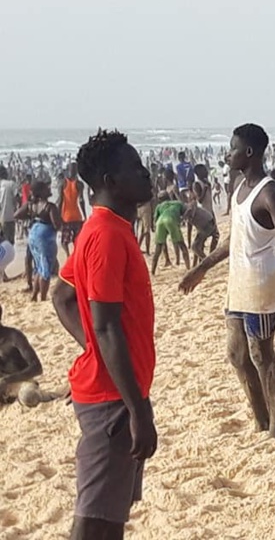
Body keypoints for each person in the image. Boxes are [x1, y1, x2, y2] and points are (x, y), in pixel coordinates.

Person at [50, 129, 158, 539]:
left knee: (111, 517)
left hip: (119, 390)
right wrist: (138, 410)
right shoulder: (106, 235)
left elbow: (62, 295)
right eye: (135, 167)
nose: (146, 173)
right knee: (94, 521)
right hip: (113, 399)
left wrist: (96, 350)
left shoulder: (107, 229)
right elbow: (106, 324)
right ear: (111, 181)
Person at [179, 124, 275, 442]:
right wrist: (202, 267)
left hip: (262, 282)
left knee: (262, 356)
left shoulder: (269, 191)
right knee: (237, 356)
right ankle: (261, 420)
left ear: (248, 152)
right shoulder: (238, 187)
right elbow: (235, 238)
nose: (228, 154)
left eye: (233, 148)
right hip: (238, 283)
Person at [15, 181, 61, 302]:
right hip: (45, 236)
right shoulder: (50, 206)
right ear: (41, 192)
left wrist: (32, 217)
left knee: (38, 267)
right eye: (46, 188)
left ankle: (35, 295)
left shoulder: (31, 205)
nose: (49, 189)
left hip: (33, 233)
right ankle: (43, 297)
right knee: (45, 268)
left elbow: (17, 215)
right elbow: (57, 225)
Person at [150, 192, 190, 275]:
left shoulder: (159, 206)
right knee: (182, 245)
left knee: (158, 248)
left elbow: (155, 219)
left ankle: (152, 271)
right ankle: (188, 268)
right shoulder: (177, 203)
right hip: (171, 220)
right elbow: (187, 211)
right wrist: (182, 219)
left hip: (160, 222)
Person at [58, 162, 87, 256]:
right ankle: (76, 255)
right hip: (77, 216)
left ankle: (68, 255)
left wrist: (58, 216)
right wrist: (85, 216)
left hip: (65, 217)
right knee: (77, 240)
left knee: (64, 242)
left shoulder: (62, 183)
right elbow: (81, 201)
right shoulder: (79, 184)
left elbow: (60, 201)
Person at [182, 200, 218, 266]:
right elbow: (189, 230)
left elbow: (189, 230)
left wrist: (189, 244)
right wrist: (189, 243)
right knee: (197, 245)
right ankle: (196, 265)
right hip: (209, 224)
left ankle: (207, 261)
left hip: (207, 226)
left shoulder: (191, 215)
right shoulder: (194, 211)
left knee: (195, 247)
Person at [0, 166, 16, 248]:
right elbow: (17, 197)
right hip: (8, 218)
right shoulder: (11, 184)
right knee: (9, 244)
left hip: (2, 218)